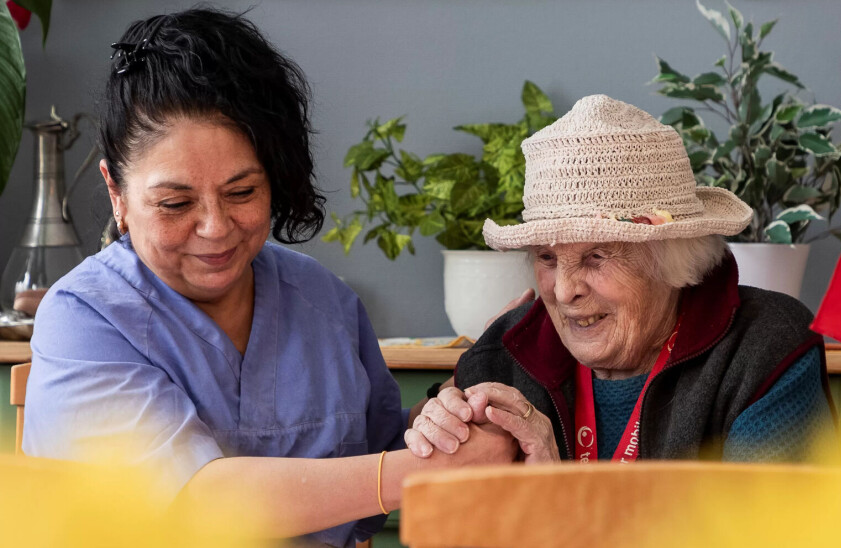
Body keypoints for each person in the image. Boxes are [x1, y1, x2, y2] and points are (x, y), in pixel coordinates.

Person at [22, 8, 515, 546]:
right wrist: (419, 470)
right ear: (116, 193)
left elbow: (381, 451)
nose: (215, 228)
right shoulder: (82, 318)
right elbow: (195, 502)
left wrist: (450, 415)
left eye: (242, 193)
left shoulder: (325, 303)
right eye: (175, 202)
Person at [405, 95, 836, 464]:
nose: (563, 289)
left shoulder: (763, 350)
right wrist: (438, 424)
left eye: (596, 256)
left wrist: (552, 497)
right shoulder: (503, 356)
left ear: (673, 260)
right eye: (547, 257)